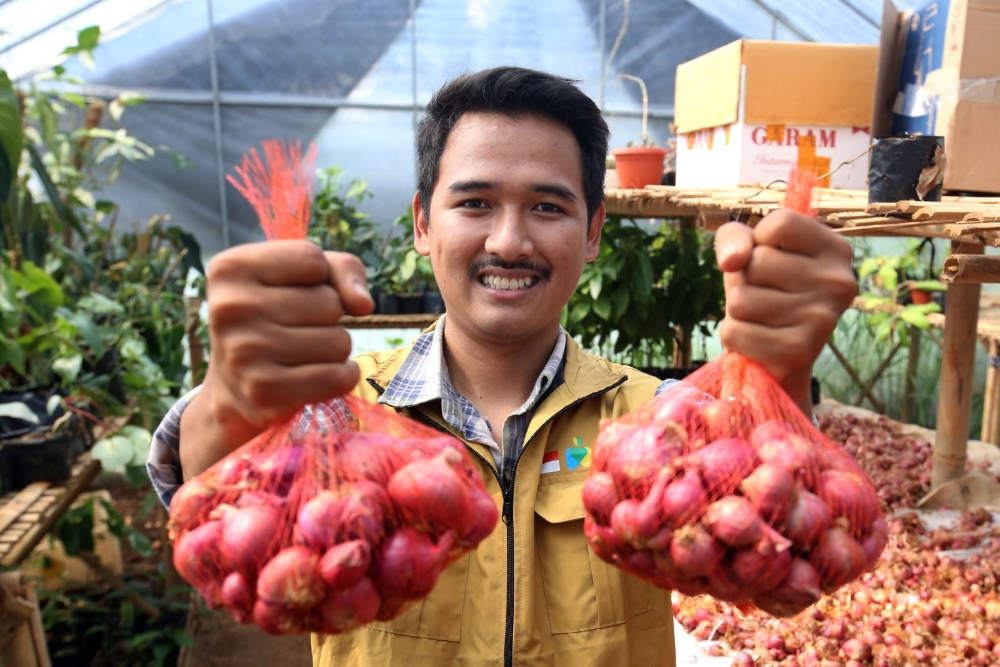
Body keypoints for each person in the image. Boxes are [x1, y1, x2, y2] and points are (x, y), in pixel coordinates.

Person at [147, 66, 857, 667]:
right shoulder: (335, 411)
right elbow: (208, 491)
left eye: (548, 206)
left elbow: (785, 555)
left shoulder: (658, 423)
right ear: (424, 223)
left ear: (593, 231)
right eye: (475, 202)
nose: (510, 240)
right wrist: (230, 399)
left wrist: (780, 376)